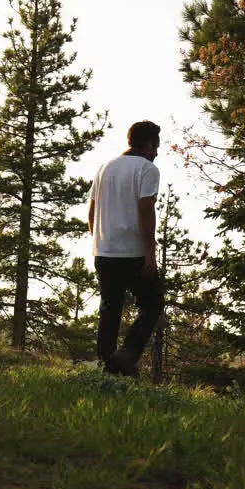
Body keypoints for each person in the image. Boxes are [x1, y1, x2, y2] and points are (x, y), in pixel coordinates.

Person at [87, 120, 165, 377]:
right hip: (133, 253)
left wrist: (98, 241)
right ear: (148, 144)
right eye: (156, 146)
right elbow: (146, 209)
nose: (156, 152)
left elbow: (92, 210)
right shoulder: (147, 169)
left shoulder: (105, 167)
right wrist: (150, 254)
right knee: (153, 304)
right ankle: (127, 356)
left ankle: (105, 366)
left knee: (110, 309)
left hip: (104, 251)